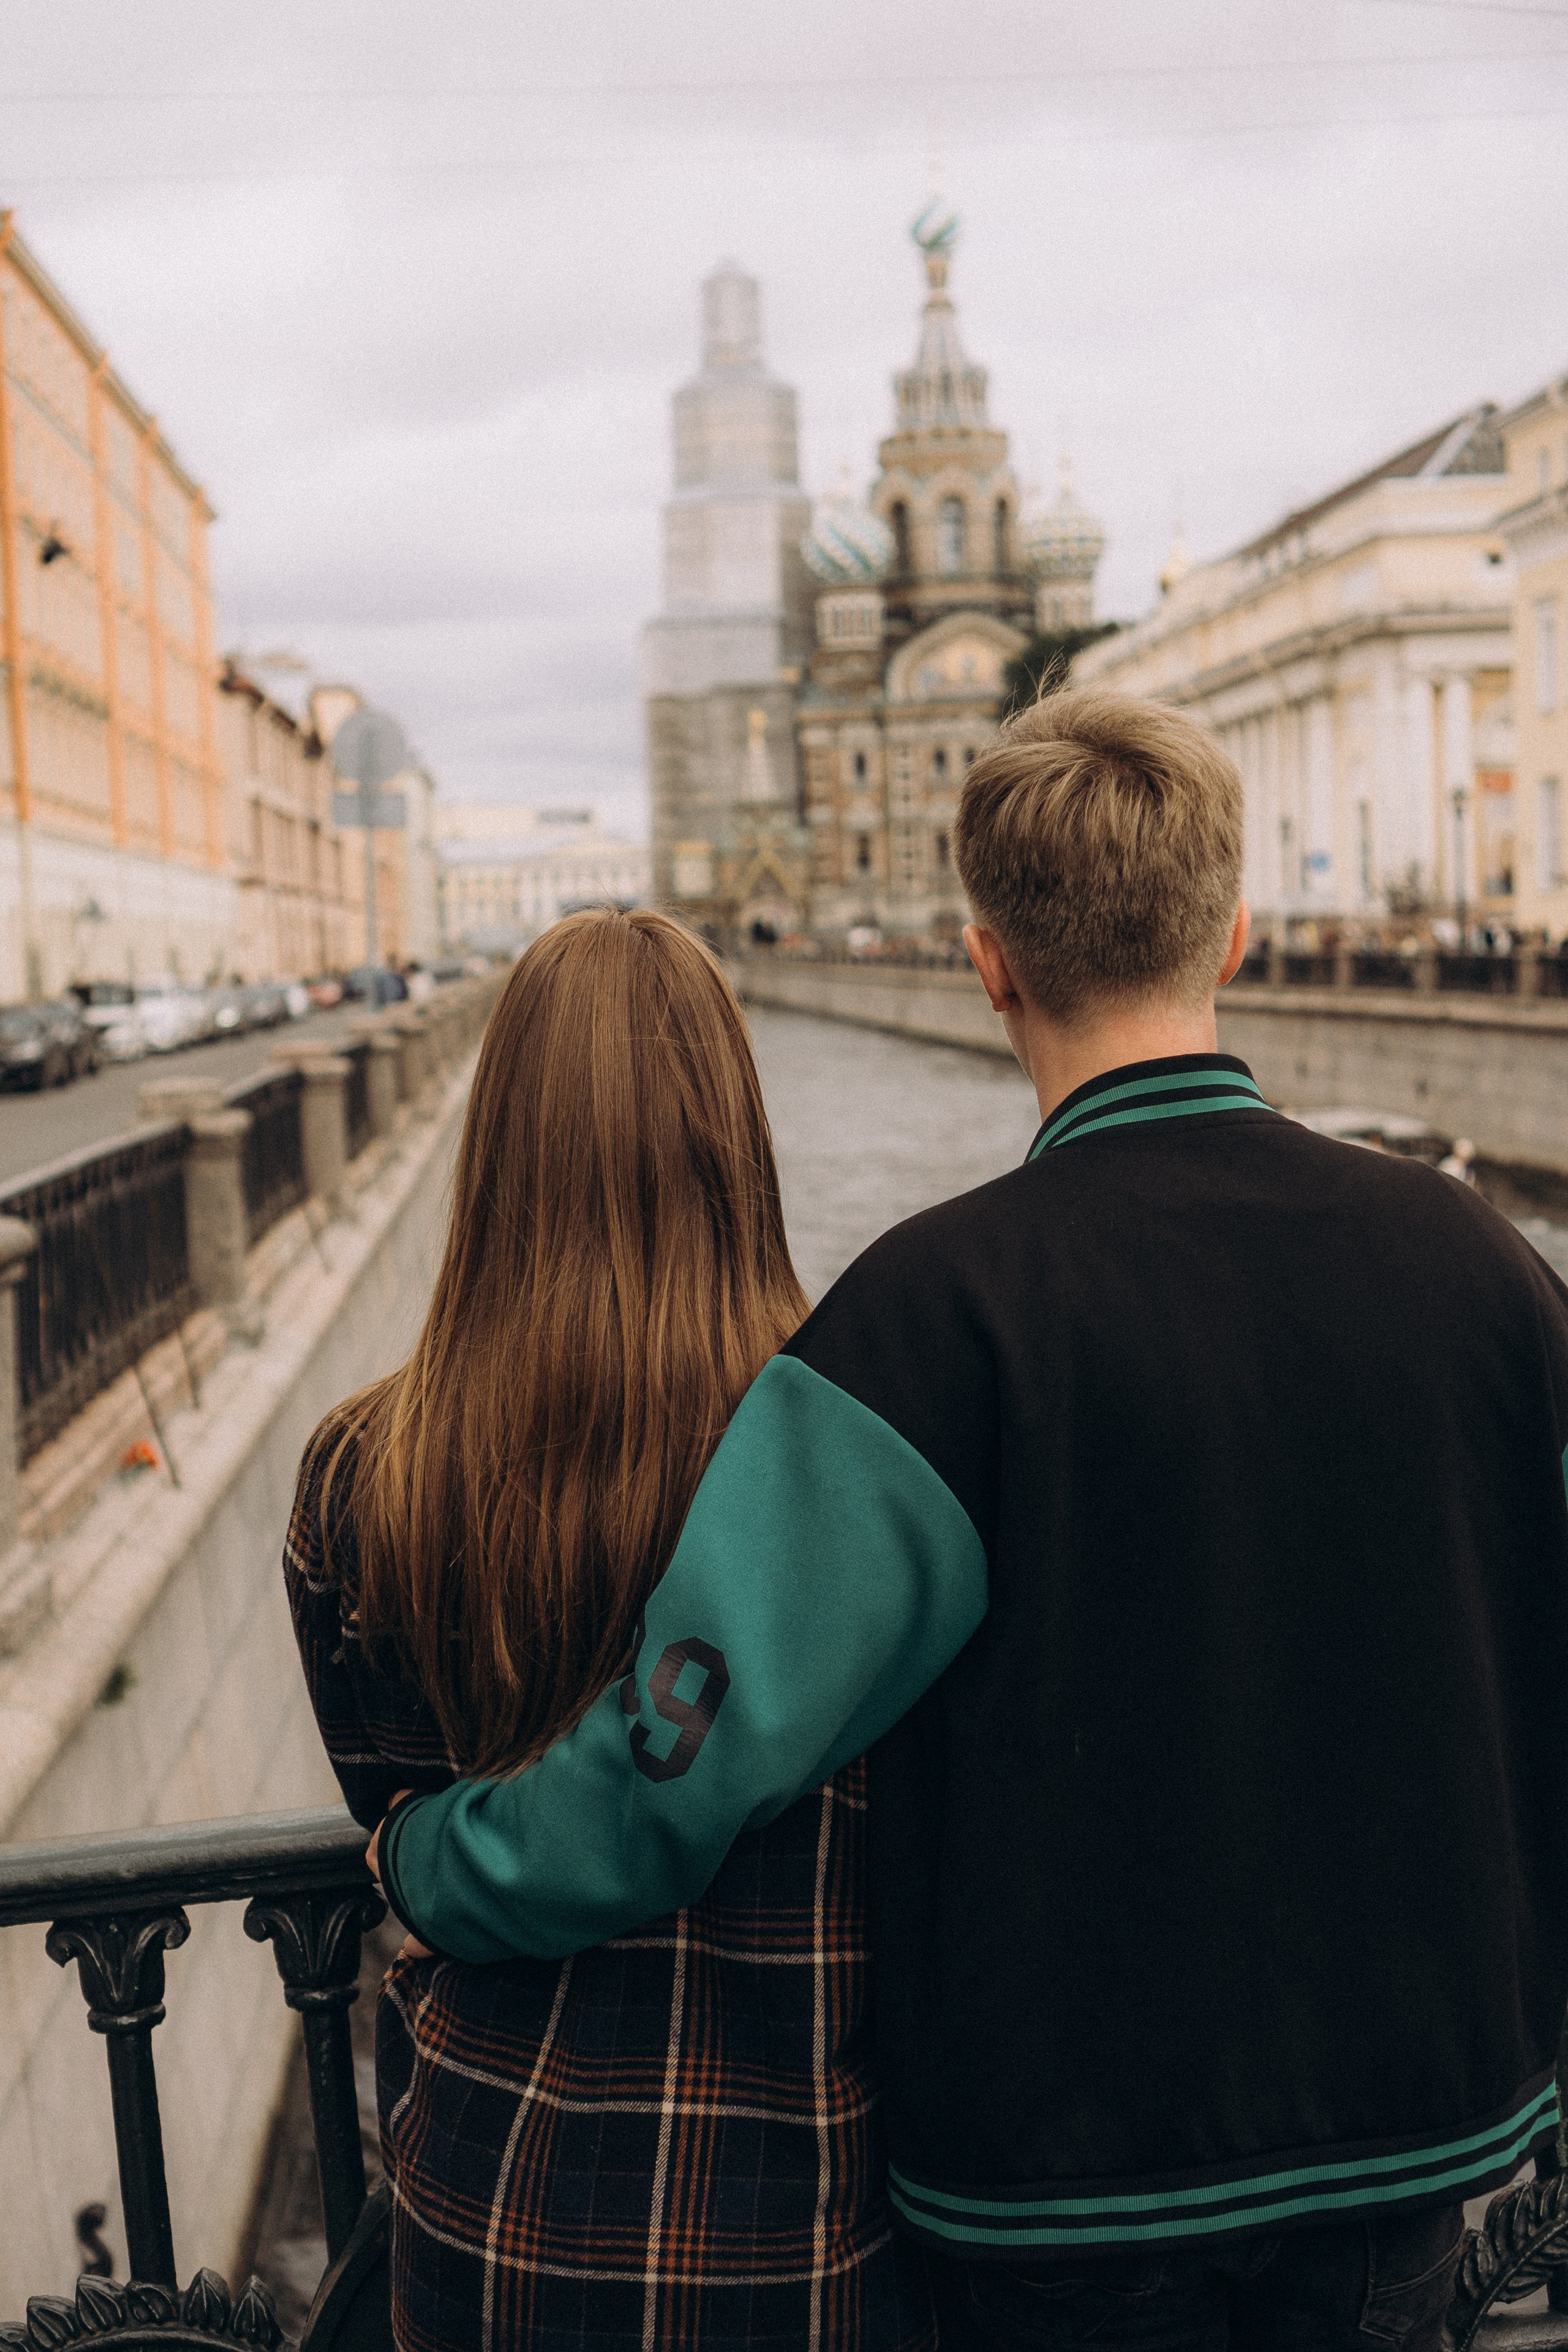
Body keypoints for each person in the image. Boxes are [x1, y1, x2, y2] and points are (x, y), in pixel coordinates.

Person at [374, 693, 1568, 2352]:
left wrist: (435, 1860)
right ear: (1235, 932)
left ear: (987, 962)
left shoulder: (937, 1316)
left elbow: (683, 1752)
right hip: (1420, 2152)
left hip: (1072, 2190)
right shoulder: (1482, 1266)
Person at [284, 910, 937, 2352]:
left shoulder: (360, 1475)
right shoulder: (859, 1460)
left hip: (489, 2213)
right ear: (735, 1133)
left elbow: (400, 1812)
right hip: (803, 2225)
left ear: (495, 1139)